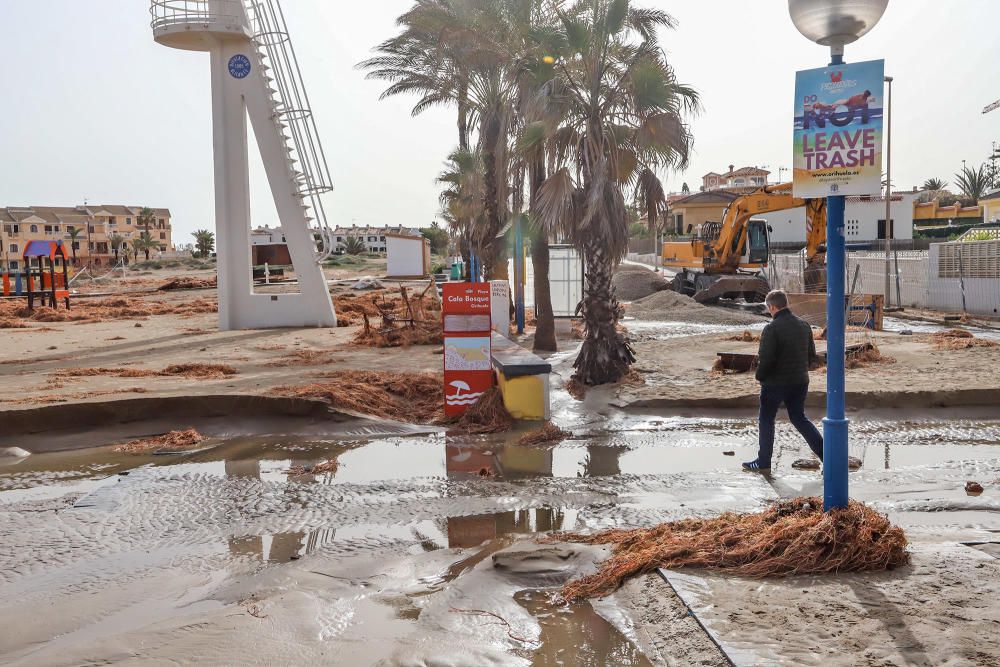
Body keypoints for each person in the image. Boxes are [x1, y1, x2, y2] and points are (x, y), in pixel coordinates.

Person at [742, 290, 824, 472]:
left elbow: (766, 359)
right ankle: (826, 455)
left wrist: (759, 376)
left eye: (768, 308)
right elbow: (812, 357)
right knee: (799, 418)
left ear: (772, 306)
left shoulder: (771, 329)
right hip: (800, 381)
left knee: (766, 419)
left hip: (775, 383)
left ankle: (763, 462)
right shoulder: (804, 325)